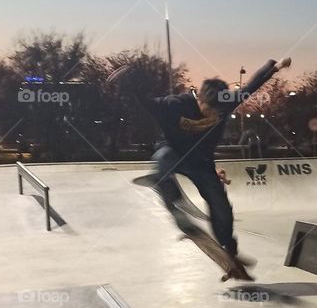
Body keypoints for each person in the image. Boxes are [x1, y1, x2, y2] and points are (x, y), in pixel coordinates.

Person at [109, 57, 291, 258]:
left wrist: (274, 67)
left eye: (217, 111)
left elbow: (251, 87)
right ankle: (170, 194)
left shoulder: (225, 103)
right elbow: (145, 103)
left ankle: (227, 246)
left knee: (221, 206)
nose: (213, 114)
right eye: (209, 109)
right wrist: (126, 80)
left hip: (202, 163)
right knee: (162, 158)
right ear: (200, 100)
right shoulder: (174, 105)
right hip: (174, 153)